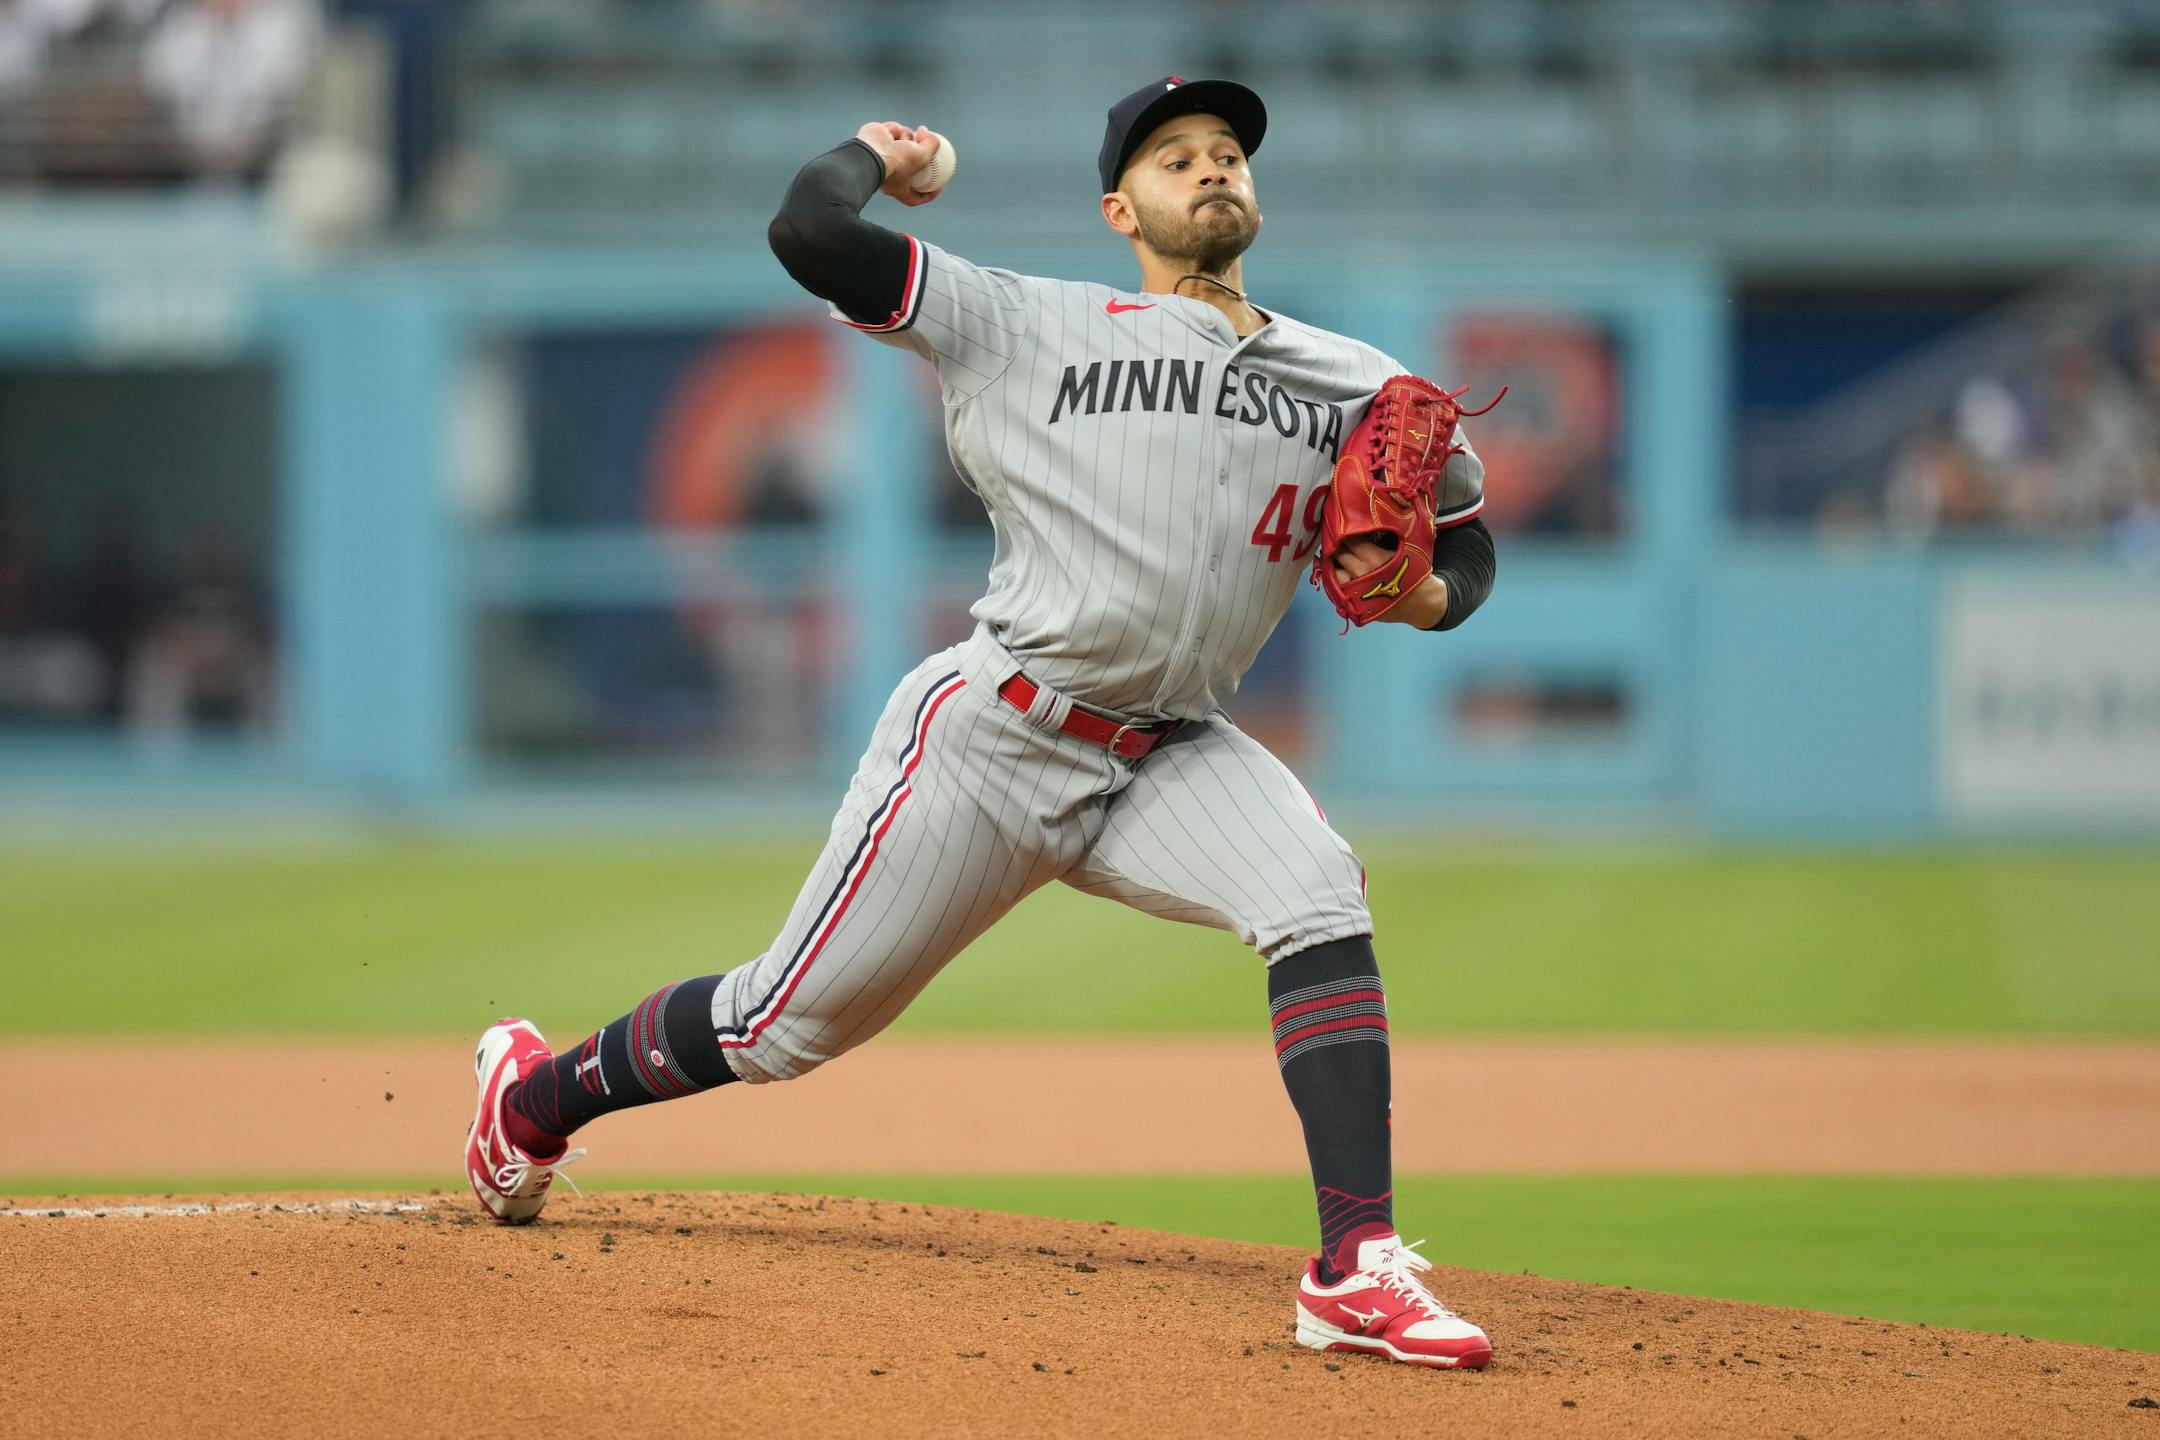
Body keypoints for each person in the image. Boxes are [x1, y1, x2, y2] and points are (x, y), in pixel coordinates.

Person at [466, 77, 1500, 1373]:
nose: (1213, 168)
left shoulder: (1353, 378)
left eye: (1230, 151)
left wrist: (1431, 595)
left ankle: (1356, 1267)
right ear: (1121, 207)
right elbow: (809, 236)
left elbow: (1465, 542)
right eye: (1177, 157)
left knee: (1316, 890)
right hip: (994, 739)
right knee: (780, 1025)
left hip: (1172, 749)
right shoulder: (1027, 320)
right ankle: (532, 1104)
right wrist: (869, 155)